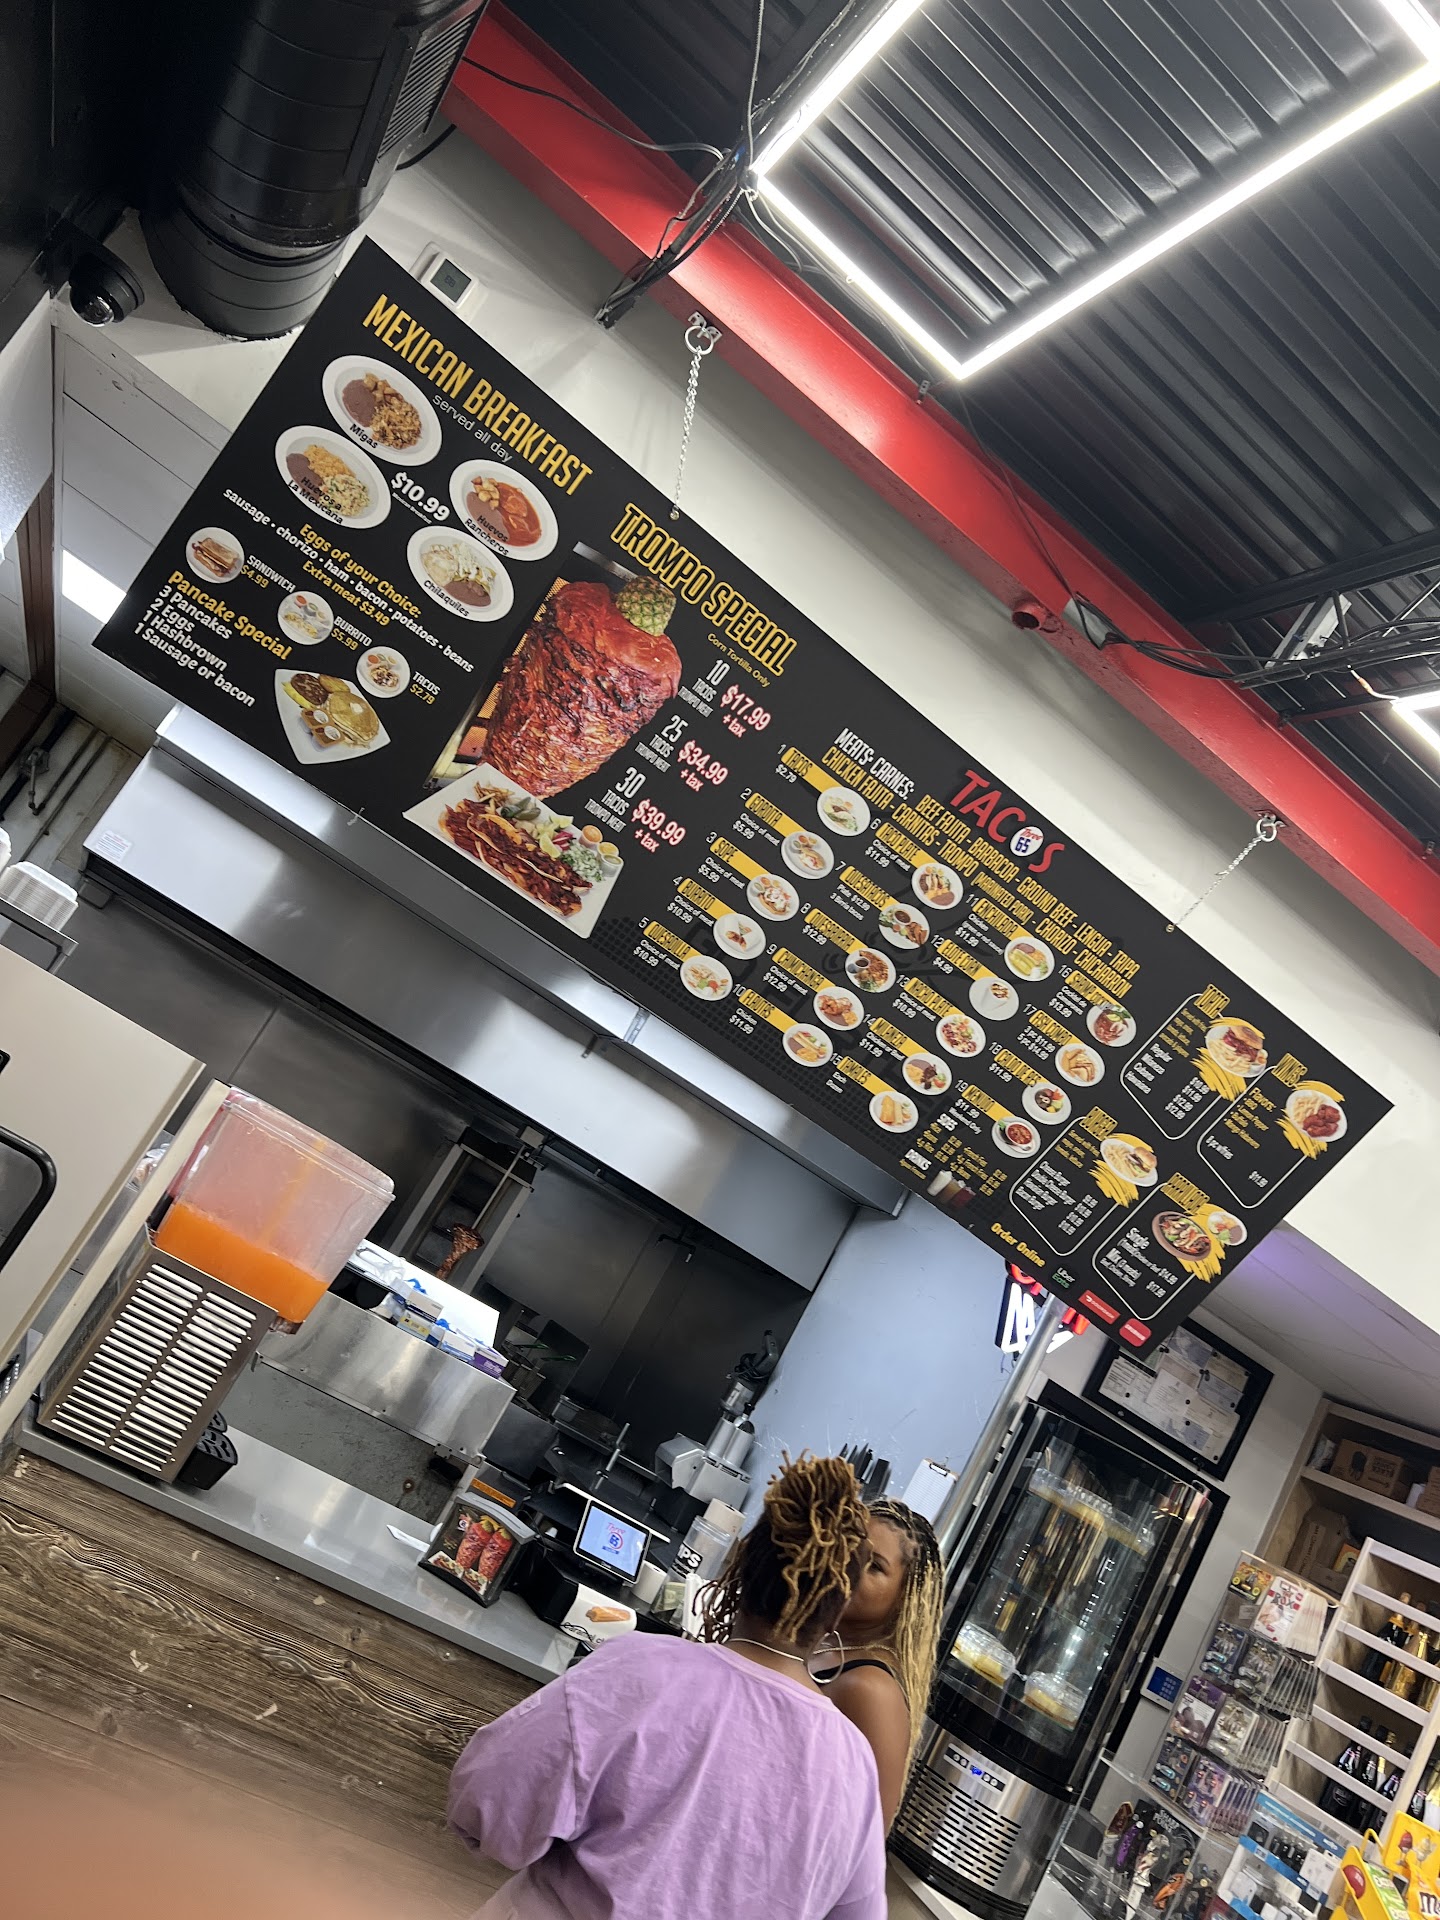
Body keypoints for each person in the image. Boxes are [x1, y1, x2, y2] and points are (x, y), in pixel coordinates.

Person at [448, 1454, 887, 1920]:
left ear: (739, 1565)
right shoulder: (855, 1764)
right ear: (838, 1609)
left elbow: (487, 1805)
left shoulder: (638, 1668)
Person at [817, 1496, 944, 1829]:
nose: (849, 1564)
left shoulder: (871, 1688)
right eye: (850, 1546)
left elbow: (867, 1835)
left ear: (904, 1598)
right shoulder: (829, 1643)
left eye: (874, 1565)